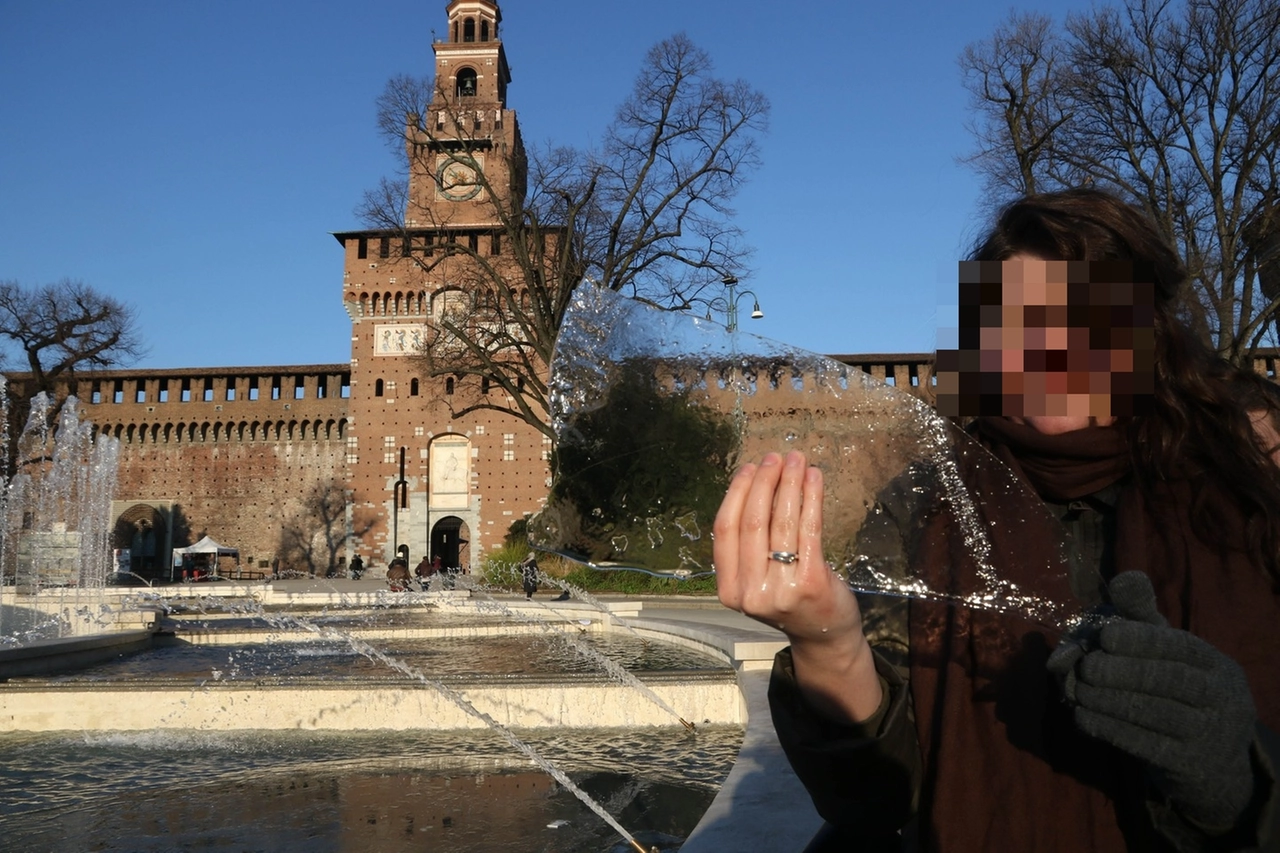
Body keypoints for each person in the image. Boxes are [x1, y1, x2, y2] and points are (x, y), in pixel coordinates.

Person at [715, 188, 1280, 852]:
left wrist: (1238, 778)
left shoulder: (1249, 480)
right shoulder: (925, 504)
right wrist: (828, 644)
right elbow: (872, 800)